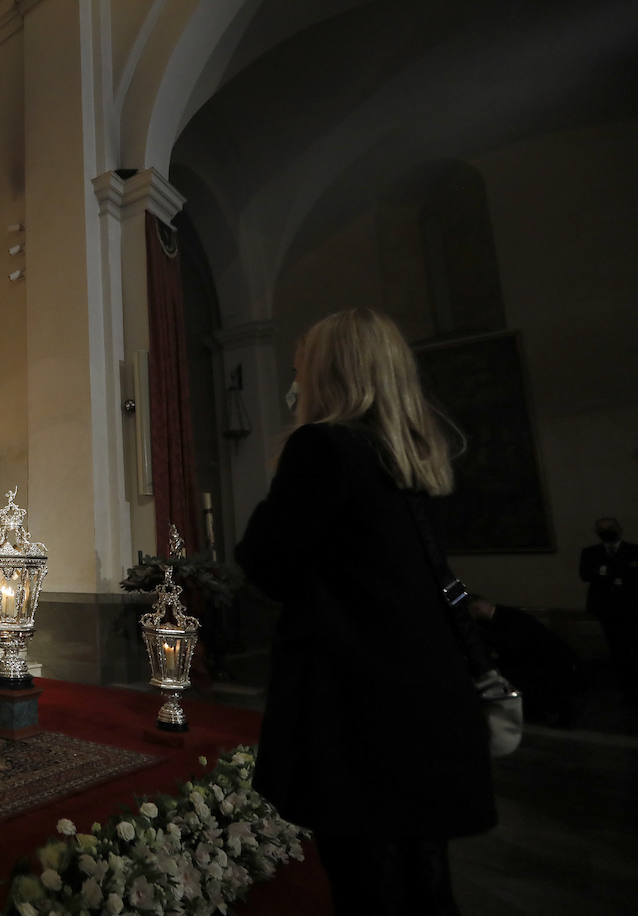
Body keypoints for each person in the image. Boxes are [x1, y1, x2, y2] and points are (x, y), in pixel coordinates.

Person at [235, 308, 495, 916]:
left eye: (301, 369)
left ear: (331, 374)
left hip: (361, 712)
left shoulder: (323, 447)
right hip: (429, 704)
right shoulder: (414, 461)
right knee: (425, 883)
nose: (294, 381)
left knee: (368, 886)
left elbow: (264, 562)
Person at [467, 595, 584, 727]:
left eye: (473, 612)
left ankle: (555, 717)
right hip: (536, 657)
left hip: (546, 657)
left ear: (478, 608)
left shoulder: (507, 619)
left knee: (550, 690)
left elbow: (514, 644)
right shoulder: (503, 616)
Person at [579, 518, 638, 692]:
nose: (607, 532)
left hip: (632, 607)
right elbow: (585, 574)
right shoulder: (590, 552)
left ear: (619, 529)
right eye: (602, 530)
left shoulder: (634, 550)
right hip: (606, 609)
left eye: (610, 529)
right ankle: (626, 688)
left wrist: (605, 573)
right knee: (617, 649)